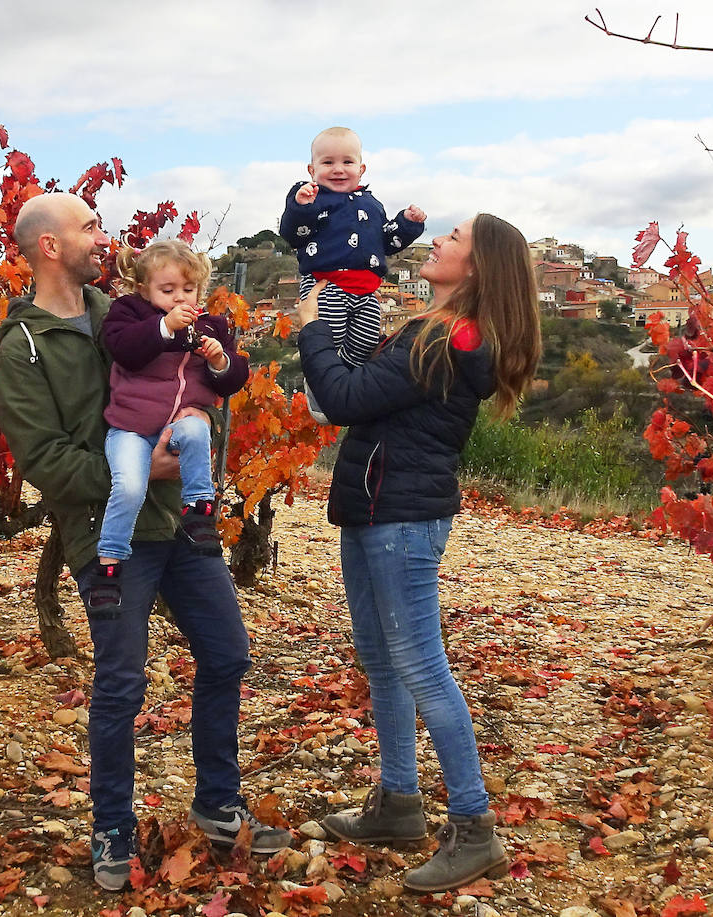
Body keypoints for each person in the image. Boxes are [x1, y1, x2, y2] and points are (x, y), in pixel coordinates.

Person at [0, 193, 290, 893]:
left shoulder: (119, 314)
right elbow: (46, 462)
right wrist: (137, 466)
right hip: (107, 534)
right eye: (88, 227)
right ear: (50, 247)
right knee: (121, 683)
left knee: (227, 653)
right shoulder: (22, 350)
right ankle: (112, 826)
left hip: (179, 521)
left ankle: (217, 804)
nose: (105, 237)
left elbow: (194, 377)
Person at [294, 213, 542, 892]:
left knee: (422, 667)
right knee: (383, 661)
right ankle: (400, 802)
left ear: (479, 266)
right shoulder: (430, 331)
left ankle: (474, 826)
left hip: (399, 518)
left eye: (454, 237)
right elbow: (359, 397)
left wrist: (313, 326)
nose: (438, 240)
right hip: (378, 509)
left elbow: (343, 398)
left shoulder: (445, 340)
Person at [84, 240, 250, 610]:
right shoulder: (127, 314)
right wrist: (163, 328)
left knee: (196, 429)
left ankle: (200, 512)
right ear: (144, 289)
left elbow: (232, 381)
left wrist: (219, 361)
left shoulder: (212, 325)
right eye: (168, 290)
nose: (179, 299)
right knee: (128, 486)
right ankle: (109, 563)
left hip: (177, 426)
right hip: (129, 428)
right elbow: (124, 349)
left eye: (188, 290)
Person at [279, 126, 426, 422]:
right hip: (327, 283)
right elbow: (292, 234)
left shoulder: (372, 205)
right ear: (312, 169)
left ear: (361, 168)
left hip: (366, 289)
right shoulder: (311, 200)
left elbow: (387, 241)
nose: (338, 169)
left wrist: (407, 223)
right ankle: (319, 388)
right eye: (327, 162)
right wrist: (299, 206)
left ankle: (341, 382)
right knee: (327, 337)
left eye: (347, 162)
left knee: (367, 340)